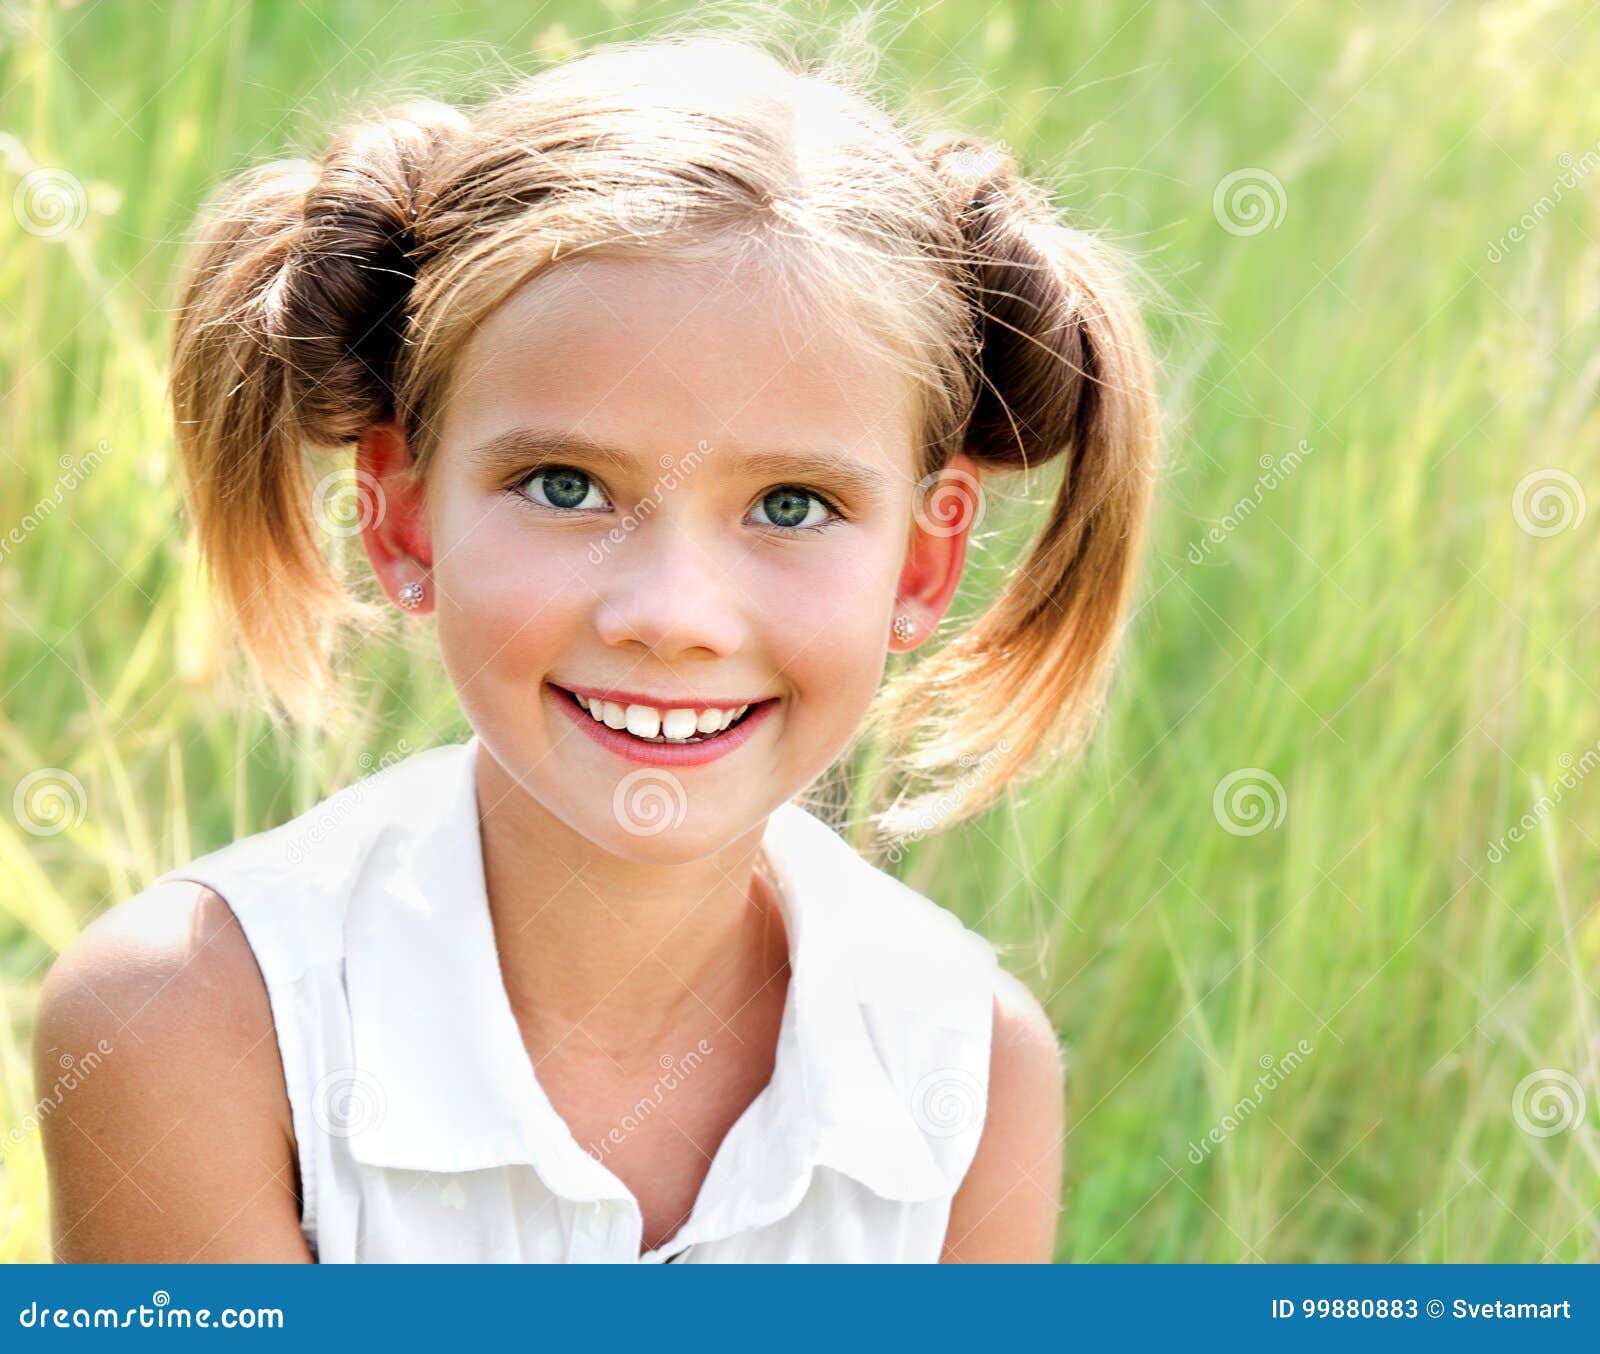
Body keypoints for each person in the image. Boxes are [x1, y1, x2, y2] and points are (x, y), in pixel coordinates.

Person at [35, 21, 1158, 1263]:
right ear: (406, 514)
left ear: (924, 560)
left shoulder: (969, 1072)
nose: (672, 612)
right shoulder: (190, 1023)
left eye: (792, 506)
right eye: (566, 486)